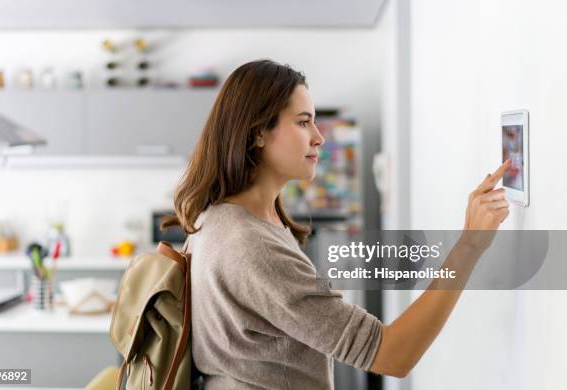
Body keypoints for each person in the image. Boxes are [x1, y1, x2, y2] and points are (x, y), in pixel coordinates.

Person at [162, 59, 511, 389]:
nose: (319, 136)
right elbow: (393, 355)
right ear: (258, 134)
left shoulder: (218, 217)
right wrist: (469, 246)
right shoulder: (252, 245)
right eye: (302, 122)